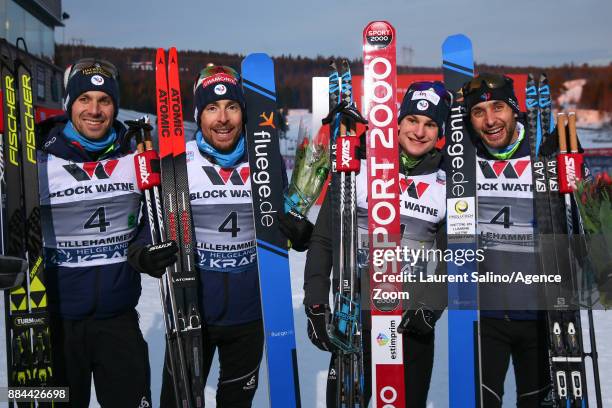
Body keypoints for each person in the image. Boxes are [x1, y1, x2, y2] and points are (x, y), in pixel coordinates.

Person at [147, 65, 310, 408]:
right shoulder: (179, 164)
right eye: (212, 108)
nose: (222, 118)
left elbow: (282, 224)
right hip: (191, 311)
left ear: (242, 112)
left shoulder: (266, 161)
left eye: (231, 107)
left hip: (248, 315)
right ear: (199, 114)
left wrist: (302, 233)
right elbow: (149, 226)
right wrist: (143, 253)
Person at [303, 81, 450, 407]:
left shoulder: (446, 180)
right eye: (412, 120)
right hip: (353, 317)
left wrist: (432, 307)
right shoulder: (360, 165)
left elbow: (451, 257)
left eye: (430, 124)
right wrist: (315, 302)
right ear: (397, 122)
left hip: (411, 325)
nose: (419, 132)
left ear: (439, 131)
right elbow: (324, 240)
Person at [37, 59, 174, 407]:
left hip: (119, 320)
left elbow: (153, 212)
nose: (94, 110)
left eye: (104, 100)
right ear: (70, 104)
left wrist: (144, 250)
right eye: (85, 99)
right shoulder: (37, 156)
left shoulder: (135, 153)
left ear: (115, 105)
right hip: (55, 322)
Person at [462, 73, 550, 407]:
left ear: (514, 110)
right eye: (478, 111)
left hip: (540, 314)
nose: (490, 120)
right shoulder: (462, 160)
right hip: (486, 317)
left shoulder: (543, 152)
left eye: (498, 107)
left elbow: (582, 219)